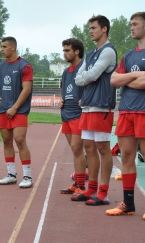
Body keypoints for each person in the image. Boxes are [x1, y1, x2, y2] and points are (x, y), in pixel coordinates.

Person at [72, 15, 117, 205]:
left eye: (93, 28)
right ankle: (91, 188)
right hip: (88, 106)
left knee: (102, 148)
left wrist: (86, 77)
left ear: (104, 29)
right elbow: (79, 77)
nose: (90, 31)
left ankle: (104, 193)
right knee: (89, 147)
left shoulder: (108, 51)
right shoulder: (90, 54)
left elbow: (92, 74)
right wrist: (86, 77)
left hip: (101, 105)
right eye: (89, 28)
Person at [106, 12, 145, 220]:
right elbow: (113, 80)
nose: (131, 27)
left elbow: (143, 83)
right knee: (127, 157)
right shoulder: (128, 55)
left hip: (144, 111)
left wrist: (125, 79)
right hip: (127, 111)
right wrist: (135, 76)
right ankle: (128, 204)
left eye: (135, 24)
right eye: (131, 24)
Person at [0, 36, 34, 188]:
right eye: (1, 47)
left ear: (13, 47)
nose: (1, 49)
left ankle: (27, 176)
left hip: (19, 110)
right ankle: (11, 175)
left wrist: (15, 107)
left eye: (4, 47)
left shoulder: (24, 65)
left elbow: (26, 89)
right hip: (3, 110)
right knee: (6, 141)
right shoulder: (0, 67)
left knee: (20, 140)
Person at [58, 38, 87, 195]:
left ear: (77, 51)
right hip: (66, 114)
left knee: (77, 148)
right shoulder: (65, 71)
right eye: (64, 50)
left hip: (79, 114)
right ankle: (78, 183)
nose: (65, 53)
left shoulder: (85, 67)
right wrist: (62, 100)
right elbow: (65, 89)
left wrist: (86, 99)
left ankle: (81, 186)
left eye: (67, 50)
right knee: (74, 150)